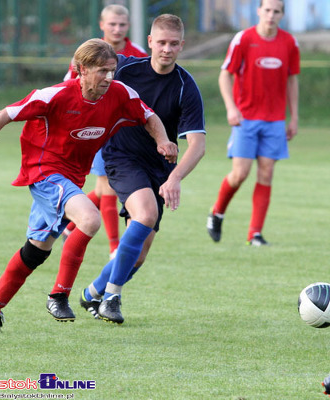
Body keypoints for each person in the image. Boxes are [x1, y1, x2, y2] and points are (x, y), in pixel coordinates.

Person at [0, 39, 177, 333]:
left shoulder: (120, 93)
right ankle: (59, 294)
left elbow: (149, 116)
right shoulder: (55, 95)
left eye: (112, 70)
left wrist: (162, 140)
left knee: (37, 250)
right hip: (44, 172)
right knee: (89, 218)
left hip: (73, 176)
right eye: (101, 71)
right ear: (81, 70)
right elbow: (3, 115)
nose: (109, 78)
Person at [79, 14, 206, 324]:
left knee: (140, 254)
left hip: (159, 168)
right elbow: (84, 68)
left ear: (181, 46)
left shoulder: (185, 87)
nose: (166, 49)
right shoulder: (125, 68)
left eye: (173, 44)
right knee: (145, 215)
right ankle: (112, 297)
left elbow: (197, 145)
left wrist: (174, 178)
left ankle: (91, 293)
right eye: (161, 42)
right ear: (149, 42)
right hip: (121, 156)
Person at [206, 0, 300, 246]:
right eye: (267, 10)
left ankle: (255, 234)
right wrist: (231, 108)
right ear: (259, 11)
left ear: (282, 14)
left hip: (275, 120)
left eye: (276, 11)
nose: (271, 15)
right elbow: (225, 74)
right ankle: (217, 212)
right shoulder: (244, 39)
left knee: (267, 173)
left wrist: (294, 116)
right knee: (240, 174)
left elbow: (292, 80)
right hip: (246, 118)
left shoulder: (289, 42)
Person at [63, 5, 148, 260]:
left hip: (123, 130)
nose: (117, 29)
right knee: (108, 188)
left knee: (103, 189)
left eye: (122, 25)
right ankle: (115, 247)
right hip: (93, 125)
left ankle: (67, 226)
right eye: (112, 24)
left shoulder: (139, 55)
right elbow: (70, 85)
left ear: (128, 26)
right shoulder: (88, 52)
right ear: (102, 25)